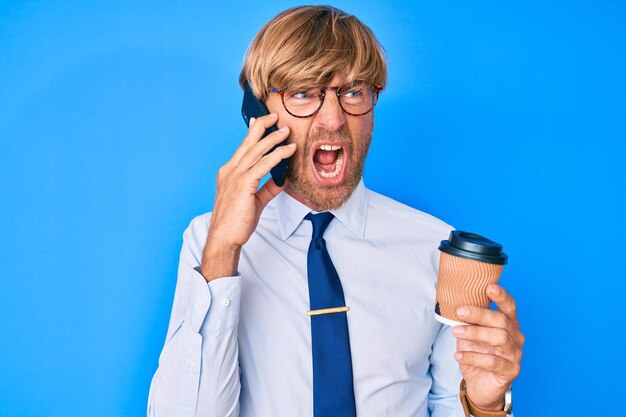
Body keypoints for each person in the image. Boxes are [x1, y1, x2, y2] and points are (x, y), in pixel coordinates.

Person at [147, 5, 524, 417]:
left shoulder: (435, 249)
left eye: (353, 92)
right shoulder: (209, 243)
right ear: (258, 112)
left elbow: (455, 406)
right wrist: (222, 252)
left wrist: (485, 405)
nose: (333, 118)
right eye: (304, 92)